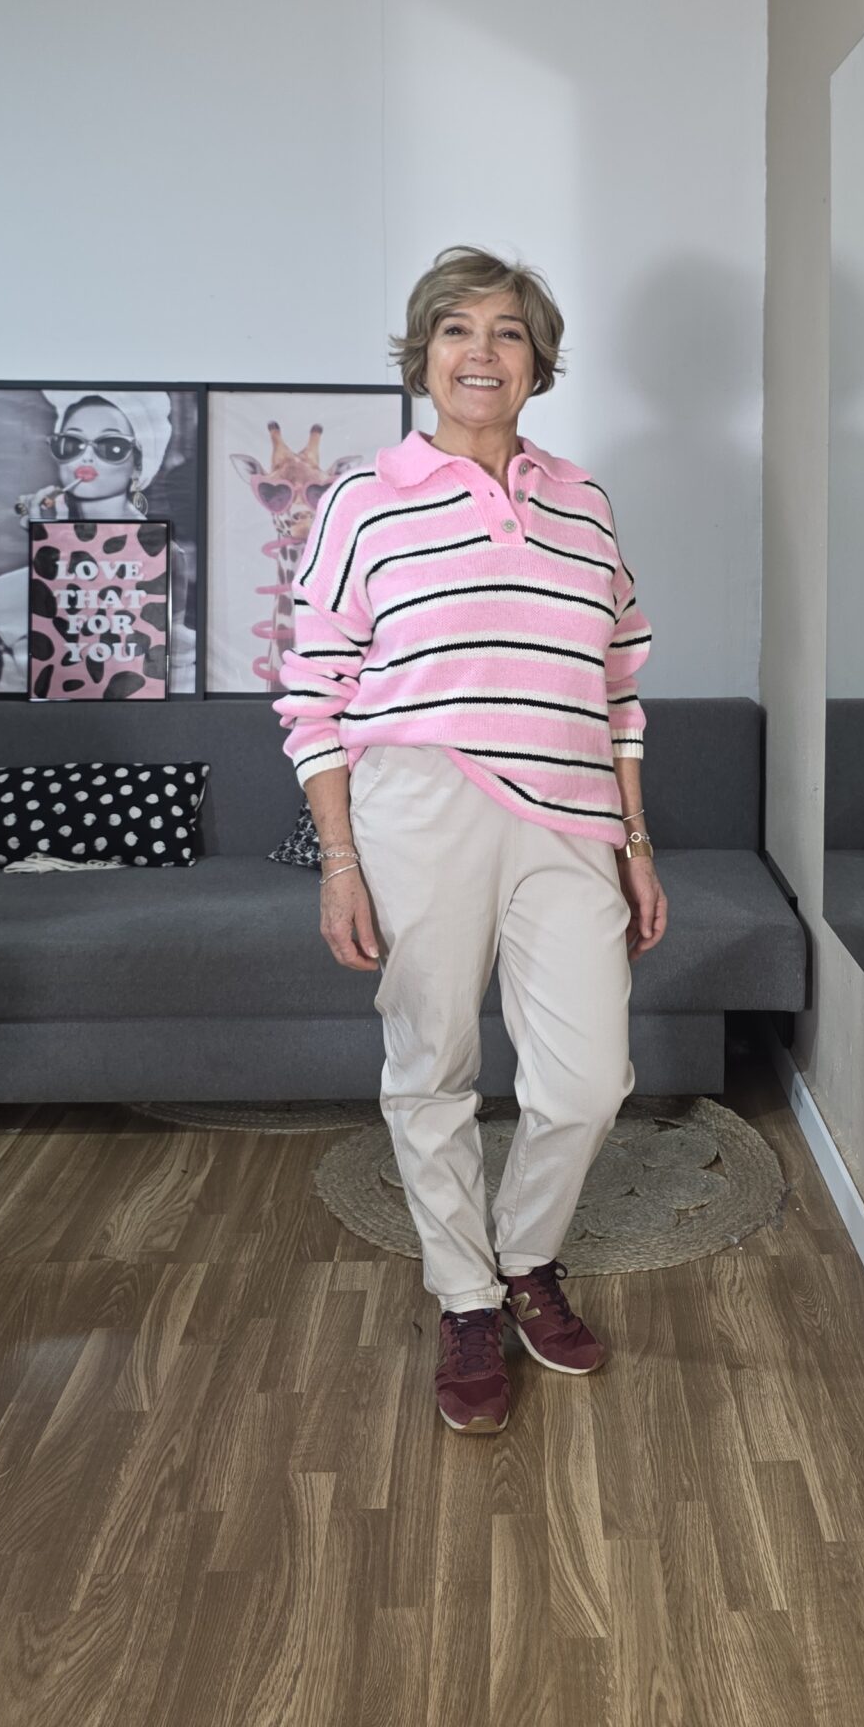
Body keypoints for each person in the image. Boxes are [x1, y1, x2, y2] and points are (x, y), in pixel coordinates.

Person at [274, 244, 667, 1435]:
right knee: (430, 1065)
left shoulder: (584, 501)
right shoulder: (363, 498)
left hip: (572, 816)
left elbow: (618, 687)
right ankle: (465, 1299)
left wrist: (635, 840)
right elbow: (312, 690)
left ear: (537, 362)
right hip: (418, 806)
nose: (481, 352)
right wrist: (340, 859)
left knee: (587, 1081)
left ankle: (526, 1253)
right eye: (455, 329)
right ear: (424, 356)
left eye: (506, 331)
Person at [0, 391, 196, 692]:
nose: (86, 457)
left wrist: (57, 549)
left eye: (111, 446)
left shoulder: (161, 556)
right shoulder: (4, 591)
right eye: (71, 444)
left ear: (138, 464)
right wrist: (49, 544)